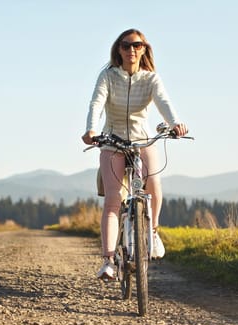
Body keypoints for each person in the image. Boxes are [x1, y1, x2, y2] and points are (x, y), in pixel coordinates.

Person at [81, 28, 189, 280]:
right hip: (112, 141)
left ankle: (152, 232)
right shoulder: (108, 77)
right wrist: (91, 129)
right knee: (112, 201)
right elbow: (96, 103)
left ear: (144, 49)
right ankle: (108, 260)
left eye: (137, 46)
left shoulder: (151, 79)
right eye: (126, 45)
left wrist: (175, 123)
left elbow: (164, 102)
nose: (132, 50)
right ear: (119, 49)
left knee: (153, 180)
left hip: (142, 139)